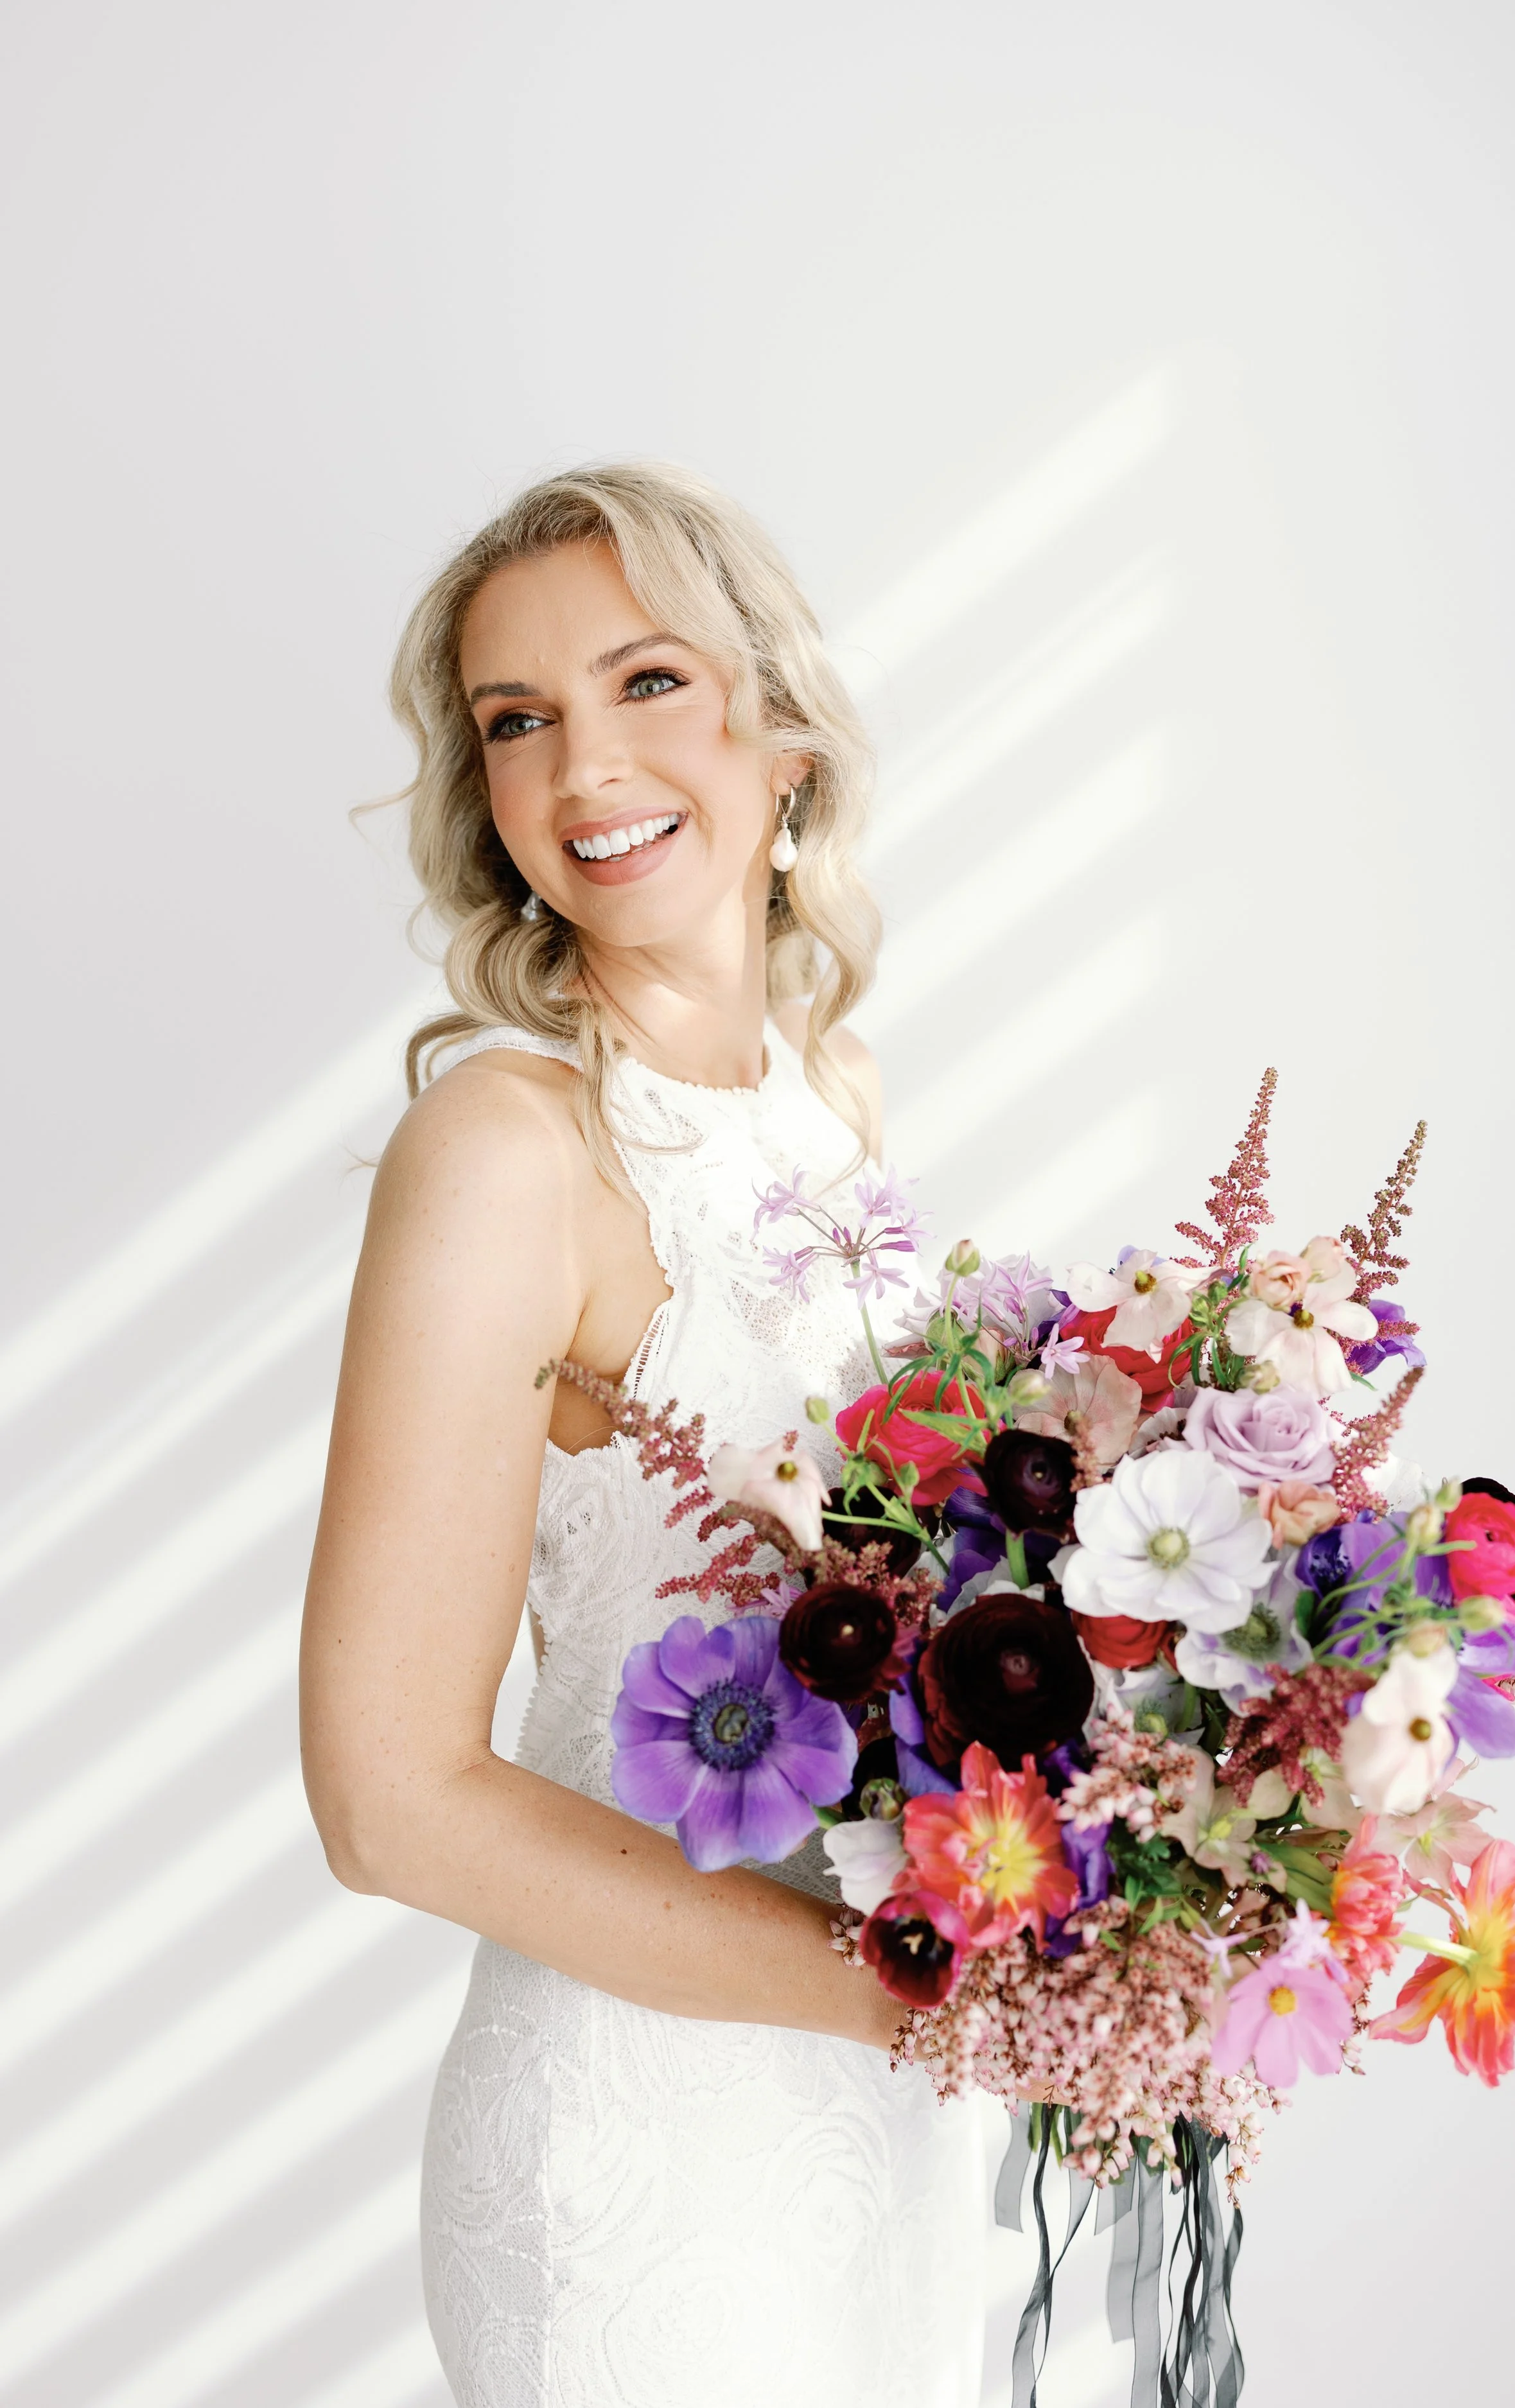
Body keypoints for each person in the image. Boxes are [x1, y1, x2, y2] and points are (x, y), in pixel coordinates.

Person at [300, 464, 986, 2408]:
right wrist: (922, 2001)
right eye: (518, 722)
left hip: (881, 2124)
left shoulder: (828, 1107)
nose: (583, 762)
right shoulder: (508, 1151)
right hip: (646, 2147)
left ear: (780, 735)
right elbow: (388, 1798)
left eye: (647, 680)